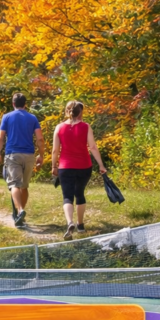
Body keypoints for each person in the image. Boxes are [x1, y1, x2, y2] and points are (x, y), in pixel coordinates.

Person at [51, 100, 106, 239]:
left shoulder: (59, 128)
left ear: (67, 111)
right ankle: (80, 225)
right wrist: (101, 164)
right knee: (79, 193)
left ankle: (70, 222)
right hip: (84, 166)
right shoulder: (86, 127)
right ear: (79, 112)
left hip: (65, 167)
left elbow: (55, 150)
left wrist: (54, 166)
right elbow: (92, 147)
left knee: (67, 196)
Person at [0, 92, 44, 226]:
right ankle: (20, 214)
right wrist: (41, 155)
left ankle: (20, 211)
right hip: (29, 155)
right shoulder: (33, 118)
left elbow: (0, 138)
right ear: (25, 104)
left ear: (13, 104)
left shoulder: (7, 117)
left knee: (14, 184)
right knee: (24, 186)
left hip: (13, 154)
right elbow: (40, 139)